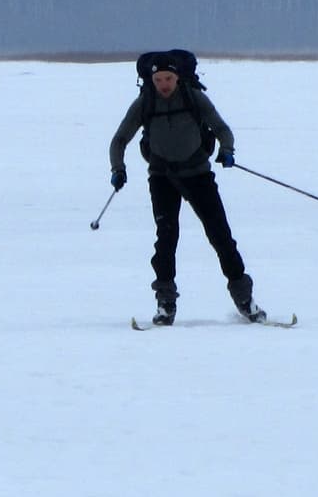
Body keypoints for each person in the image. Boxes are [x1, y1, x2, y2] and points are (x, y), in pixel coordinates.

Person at [108, 56, 264, 325]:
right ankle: (165, 304)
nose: (164, 85)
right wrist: (117, 168)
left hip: (198, 175)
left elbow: (222, 129)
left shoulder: (194, 98)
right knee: (166, 240)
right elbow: (120, 139)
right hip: (162, 178)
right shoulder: (145, 103)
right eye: (158, 80)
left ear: (178, 77)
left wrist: (227, 151)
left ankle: (244, 300)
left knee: (221, 236)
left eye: (168, 79)